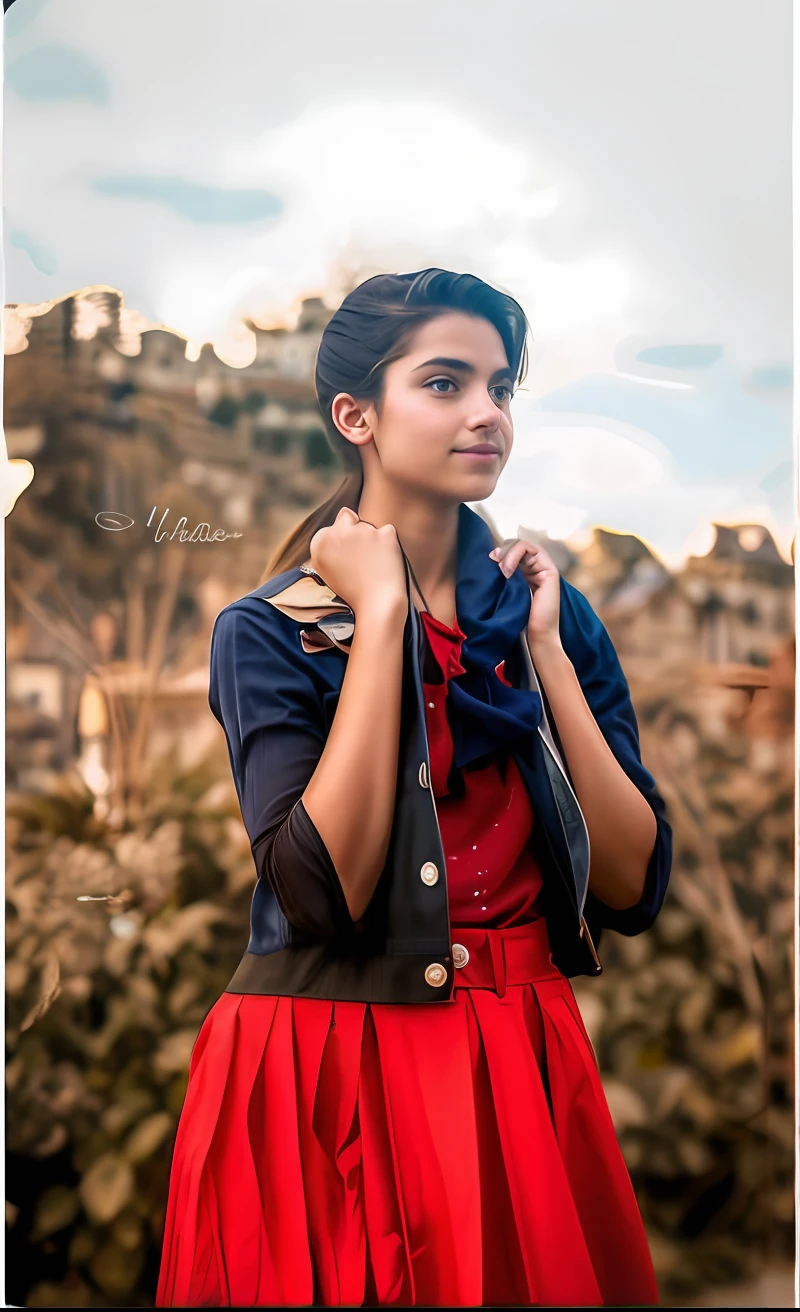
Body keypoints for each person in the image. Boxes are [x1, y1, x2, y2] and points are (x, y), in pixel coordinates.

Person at [156, 268, 672, 1308]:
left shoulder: (549, 614)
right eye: (444, 382)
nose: (486, 413)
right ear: (356, 415)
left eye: (500, 385)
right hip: (329, 1064)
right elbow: (322, 894)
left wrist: (551, 663)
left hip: (523, 1059)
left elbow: (629, 888)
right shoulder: (266, 632)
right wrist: (382, 617)